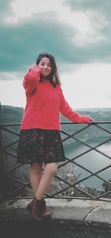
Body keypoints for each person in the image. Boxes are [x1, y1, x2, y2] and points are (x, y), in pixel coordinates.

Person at [17, 53, 93, 221]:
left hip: (51, 133)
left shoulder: (56, 87)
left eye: (48, 64)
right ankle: (40, 205)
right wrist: (34, 68)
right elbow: (29, 78)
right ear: (36, 66)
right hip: (32, 131)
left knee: (51, 168)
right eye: (42, 64)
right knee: (35, 168)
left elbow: (65, 108)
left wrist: (80, 119)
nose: (45, 67)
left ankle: (36, 203)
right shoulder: (32, 83)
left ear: (53, 68)